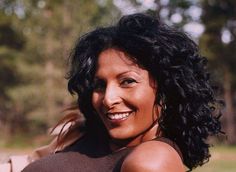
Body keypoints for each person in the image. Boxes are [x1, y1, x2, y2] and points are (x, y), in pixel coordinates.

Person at [21, 13, 222, 172]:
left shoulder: (151, 162)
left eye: (128, 81)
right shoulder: (87, 133)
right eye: (99, 85)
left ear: (167, 87)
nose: (108, 99)